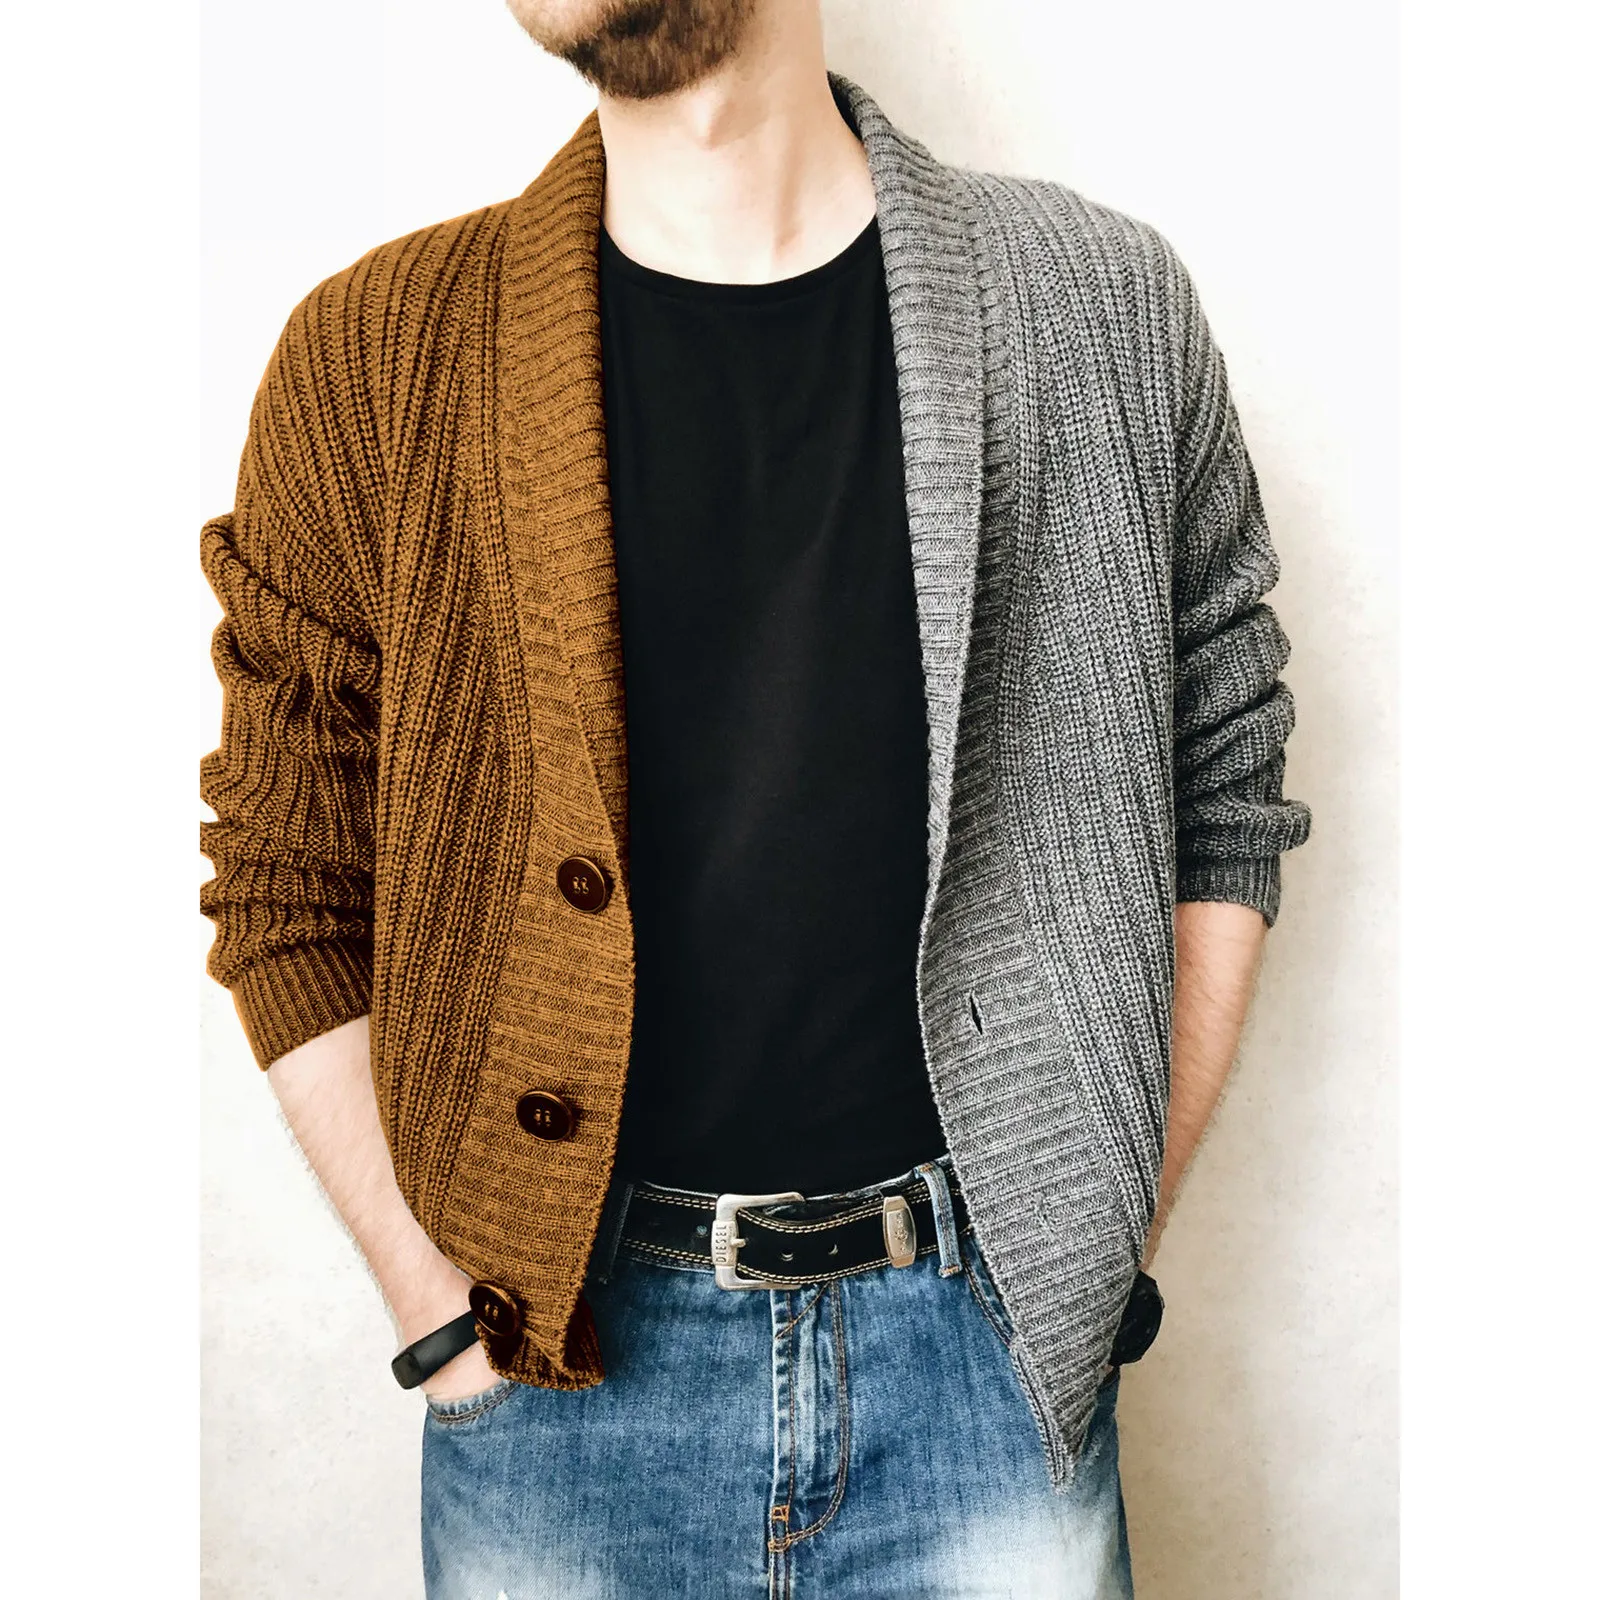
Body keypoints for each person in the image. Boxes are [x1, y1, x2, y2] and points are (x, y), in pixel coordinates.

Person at [198, 2, 1311, 1594]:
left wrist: (1093, 1235)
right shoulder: (371, 362)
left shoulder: (1100, 312)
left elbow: (1224, 783)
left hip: (991, 1387)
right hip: (556, 1393)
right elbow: (285, 875)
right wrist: (437, 1312)